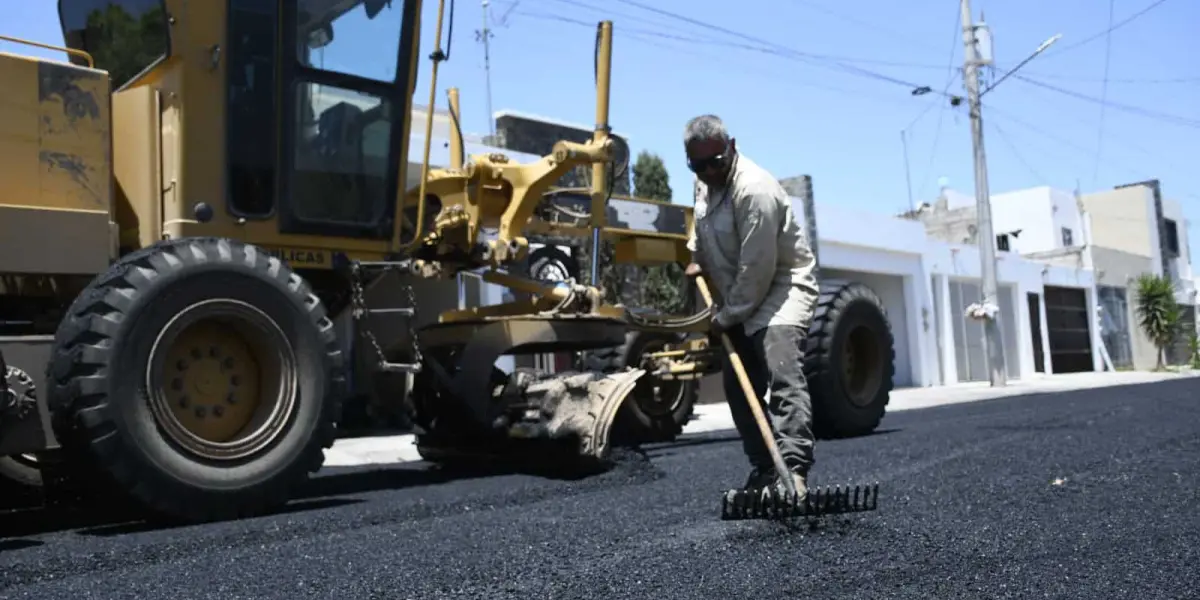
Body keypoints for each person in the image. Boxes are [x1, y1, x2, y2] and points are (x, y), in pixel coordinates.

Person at [682, 114, 820, 498]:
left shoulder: (754, 190)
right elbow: (701, 222)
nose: (709, 171)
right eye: (699, 165)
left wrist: (725, 318)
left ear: (733, 147)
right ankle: (764, 469)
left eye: (716, 162)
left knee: (780, 369)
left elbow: (757, 270)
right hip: (739, 294)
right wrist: (696, 254)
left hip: (779, 287)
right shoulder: (704, 180)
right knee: (737, 384)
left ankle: (793, 472)